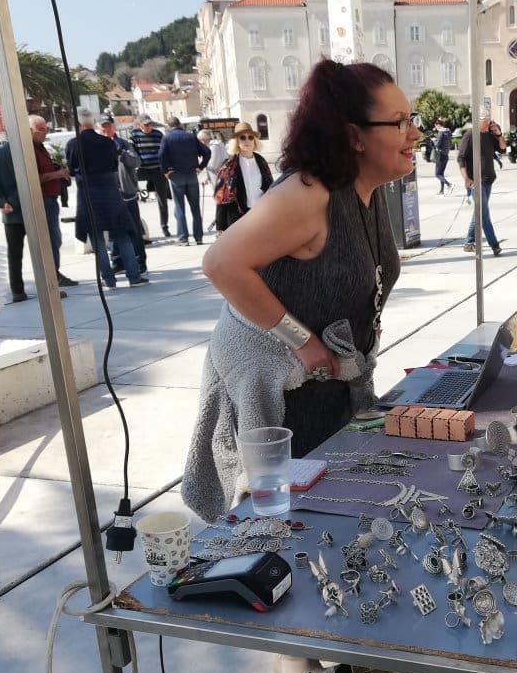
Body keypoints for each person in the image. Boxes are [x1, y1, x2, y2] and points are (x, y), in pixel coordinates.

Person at [183, 58, 410, 525]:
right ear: (355, 136)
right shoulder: (309, 194)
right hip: (282, 395)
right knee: (287, 528)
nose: (415, 134)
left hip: (326, 387)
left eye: (413, 120)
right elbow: (221, 264)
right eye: (400, 122)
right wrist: (302, 341)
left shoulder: (369, 191)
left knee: (325, 515)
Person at [0, 116, 77, 301]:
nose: (44, 133)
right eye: (40, 129)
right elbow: (31, 179)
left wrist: (1, 201)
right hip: (33, 207)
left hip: (10, 211)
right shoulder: (26, 152)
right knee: (45, 250)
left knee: (14, 253)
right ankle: (50, 288)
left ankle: (17, 291)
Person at [66, 107, 147, 289]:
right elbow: (113, 165)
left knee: (97, 240)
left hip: (87, 194)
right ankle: (134, 276)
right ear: (93, 122)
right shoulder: (107, 142)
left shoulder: (73, 144)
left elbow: (71, 169)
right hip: (110, 191)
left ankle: (109, 280)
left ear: (78, 124)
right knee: (122, 235)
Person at [96, 112, 148, 274]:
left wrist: (121, 153)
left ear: (114, 126)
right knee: (112, 230)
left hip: (127, 194)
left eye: (108, 126)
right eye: (103, 127)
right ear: (98, 128)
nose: (106, 129)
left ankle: (140, 262)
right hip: (108, 195)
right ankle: (118, 262)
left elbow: (136, 162)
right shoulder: (96, 147)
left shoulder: (124, 144)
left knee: (134, 229)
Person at [213, 120, 272, 233]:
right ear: (237, 142)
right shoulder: (228, 166)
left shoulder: (261, 162)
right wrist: (220, 226)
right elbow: (221, 197)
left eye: (250, 137)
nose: (247, 140)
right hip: (237, 216)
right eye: (242, 137)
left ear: (254, 141)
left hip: (261, 214)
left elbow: (270, 188)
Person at [159, 116, 210, 246]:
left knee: (180, 208)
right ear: (180, 124)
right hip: (192, 174)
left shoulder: (167, 138)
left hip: (176, 176)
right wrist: (200, 167)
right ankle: (198, 237)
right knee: (195, 208)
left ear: (169, 126)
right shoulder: (190, 137)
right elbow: (207, 152)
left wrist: (165, 171)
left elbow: (161, 155)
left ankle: (183, 238)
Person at [458, 115, 506, 255]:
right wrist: (466, 178)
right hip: (476, 182)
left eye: (490, 119)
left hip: (489, 180)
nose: (490, 122)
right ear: (478, 120)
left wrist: (499, 134)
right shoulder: (470, 135)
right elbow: (461, 158)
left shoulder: (490, 136)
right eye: (486, 119)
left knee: (479, 213)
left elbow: (503, 149)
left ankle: (468, 243)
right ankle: (494, 245)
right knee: (484, 214)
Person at [130, 113, 171, 238]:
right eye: (146, 125)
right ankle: (137, 226)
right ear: (139, 124)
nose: (148, 126)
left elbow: (165, 151)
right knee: (132, 197)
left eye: (150, 124)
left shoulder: (158, 134)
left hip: (158, 169)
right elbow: (131, 151)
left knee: (162, 200)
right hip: (142, 170)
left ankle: (164, 226)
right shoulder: (134, 135)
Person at [432, 117, 452, 194]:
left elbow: (437, 145)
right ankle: (442, 190)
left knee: (437, 174)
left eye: (436, 126)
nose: (436, 128)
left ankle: (449, 184)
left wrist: (434, 141)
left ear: (438, 125)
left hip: (440, 155)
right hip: (446, 155)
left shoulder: (441, 133)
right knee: (441, 173)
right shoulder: (448, 132)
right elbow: (449, 143)